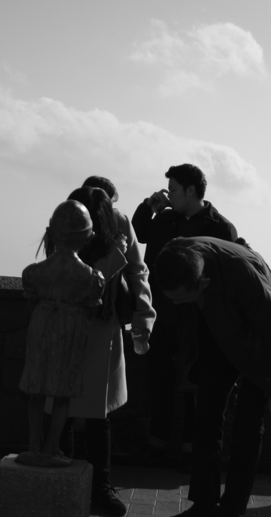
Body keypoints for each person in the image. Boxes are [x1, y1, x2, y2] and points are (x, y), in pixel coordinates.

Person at [152, 237, 271, 517]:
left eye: (181, 298)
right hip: (220, 331)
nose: (177, 304)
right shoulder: (174, 258)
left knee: (247, 426)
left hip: (261, 341)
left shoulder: (240, 272)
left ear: (202, 284)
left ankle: (232, 508)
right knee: (206, 416)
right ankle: (203, 504)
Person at [51, 183, 156, 516]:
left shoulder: (119, 222)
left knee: (97, 413)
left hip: (101, 324)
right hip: (69, 322)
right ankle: (62, 483)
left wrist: (143, 317)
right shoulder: (67, 220)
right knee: (61, 409)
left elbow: (138, 270)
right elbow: (80, 281)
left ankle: (99, 487)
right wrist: (115, 255)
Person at [131, 164, 238, 463]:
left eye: (174, 189)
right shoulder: (166, 219)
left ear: (191, 190)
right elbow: (139, 233)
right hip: (162, 313)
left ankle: (191, 448)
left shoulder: (220, 227)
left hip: (198, 318)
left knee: (194, 384)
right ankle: (158, 441)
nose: (170, 195)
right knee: (159, 380)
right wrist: (148, 206)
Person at [18, 200, 107, 467]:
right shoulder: (92, 278)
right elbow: (91, 309)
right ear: (88, 237)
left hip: (42, 324)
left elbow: (30, 304)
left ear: (51, 232)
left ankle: (34, 446)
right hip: (72, 328)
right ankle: (50, 448)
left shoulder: (34, 273)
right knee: (62, 392)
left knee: (36, 389)